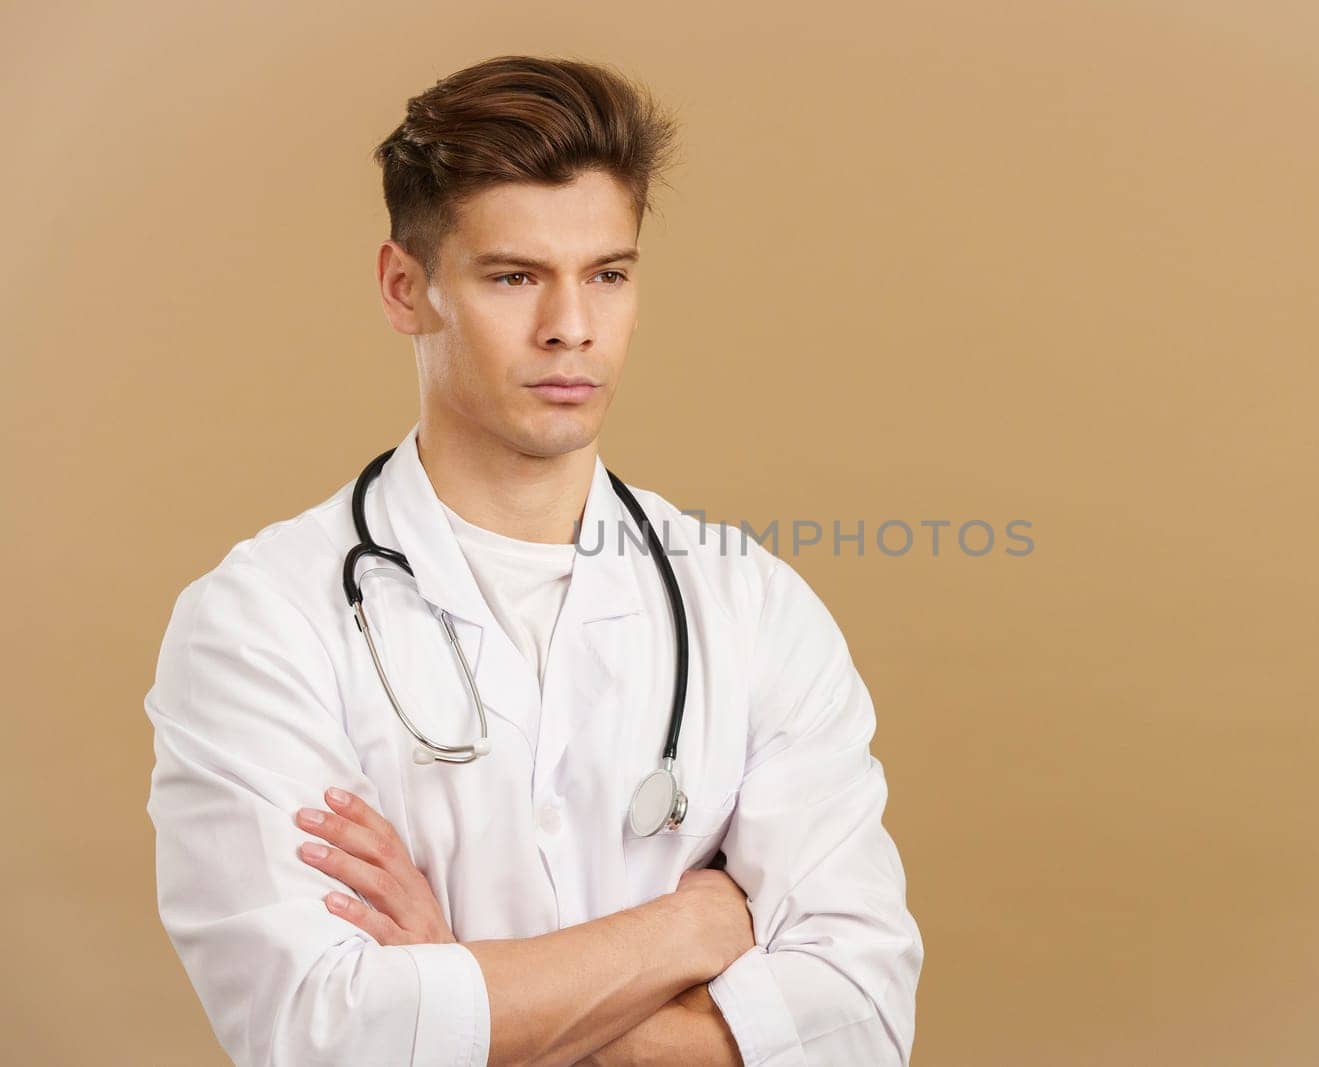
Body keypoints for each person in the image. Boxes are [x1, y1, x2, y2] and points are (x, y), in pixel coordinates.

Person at [143, 54, 924, 1067]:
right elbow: (319, 1031)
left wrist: (451, 984)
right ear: (403, 287)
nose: (572, 327)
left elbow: (860, 1024)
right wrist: (687, 932)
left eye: (608, 273)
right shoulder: (260, 622)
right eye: (514, 276)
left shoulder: (753, 607)